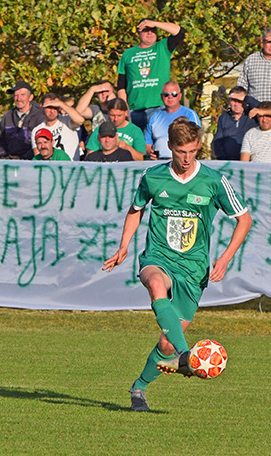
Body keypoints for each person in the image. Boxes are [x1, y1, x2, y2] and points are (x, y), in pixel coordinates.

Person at [102, 117, 252, 412]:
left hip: (193, 269)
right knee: (156, 284)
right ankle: (186, 355)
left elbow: (244, 220)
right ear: (170, 147)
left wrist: (224, 258)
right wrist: (124, 246)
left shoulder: (213, 181)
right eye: (181, 151)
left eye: (193, 151)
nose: (187, 158)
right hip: (158, 257)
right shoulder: (153, 176)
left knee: (166, 344)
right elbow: (136, 209)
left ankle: (139, 388)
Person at [117, 19, 185, 131]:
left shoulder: (162, 47)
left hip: (159, 108)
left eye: (153, 30)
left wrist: (156, 23)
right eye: (145, 30)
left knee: (159, 141)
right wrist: (124, 110)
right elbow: (121, 85)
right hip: (134, 111)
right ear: (138, 32)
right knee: (138, 141)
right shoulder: (128, 54)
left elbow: (180, 32)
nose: (150, 33)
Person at [145, 81, 201, 160]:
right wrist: (151, 153)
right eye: (166, 94)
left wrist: (177, 158)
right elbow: (147, 145)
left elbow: (197, 143)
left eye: (174, 94)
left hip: (182, 161)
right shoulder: (154, 117)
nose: (170, 97)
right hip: (158, 161)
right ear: (161, 97)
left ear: (180, 96)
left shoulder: (190, 114)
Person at [0, 80, 45, 160]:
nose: (18, 99)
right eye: (16, 95)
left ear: (30, 97)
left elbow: (41, 144)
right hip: (8, 162)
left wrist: (22, 159)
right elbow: (1, 140)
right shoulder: (7, 116)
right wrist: (3, 156)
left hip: (30, 162)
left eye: (22, 95)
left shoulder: (40, 117)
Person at [31, 93, 85, 161]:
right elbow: (38, 155)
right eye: (49, 107)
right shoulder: (37, 130)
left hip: (71, 165)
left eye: (55, 107)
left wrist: (61, 104)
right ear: (42, 107)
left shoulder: (67, 121)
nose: (52, 111)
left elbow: (80, 120)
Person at [213, 86, 258, 160]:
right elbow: (218, 141)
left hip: (250, 161)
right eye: (234, 100)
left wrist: (248, 99)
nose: (236, 104)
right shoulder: (223, 118)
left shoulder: (253, 116)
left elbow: (267, 112)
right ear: (229, 101)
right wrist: (223, 161)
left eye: (240, 100)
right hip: (229, 162)